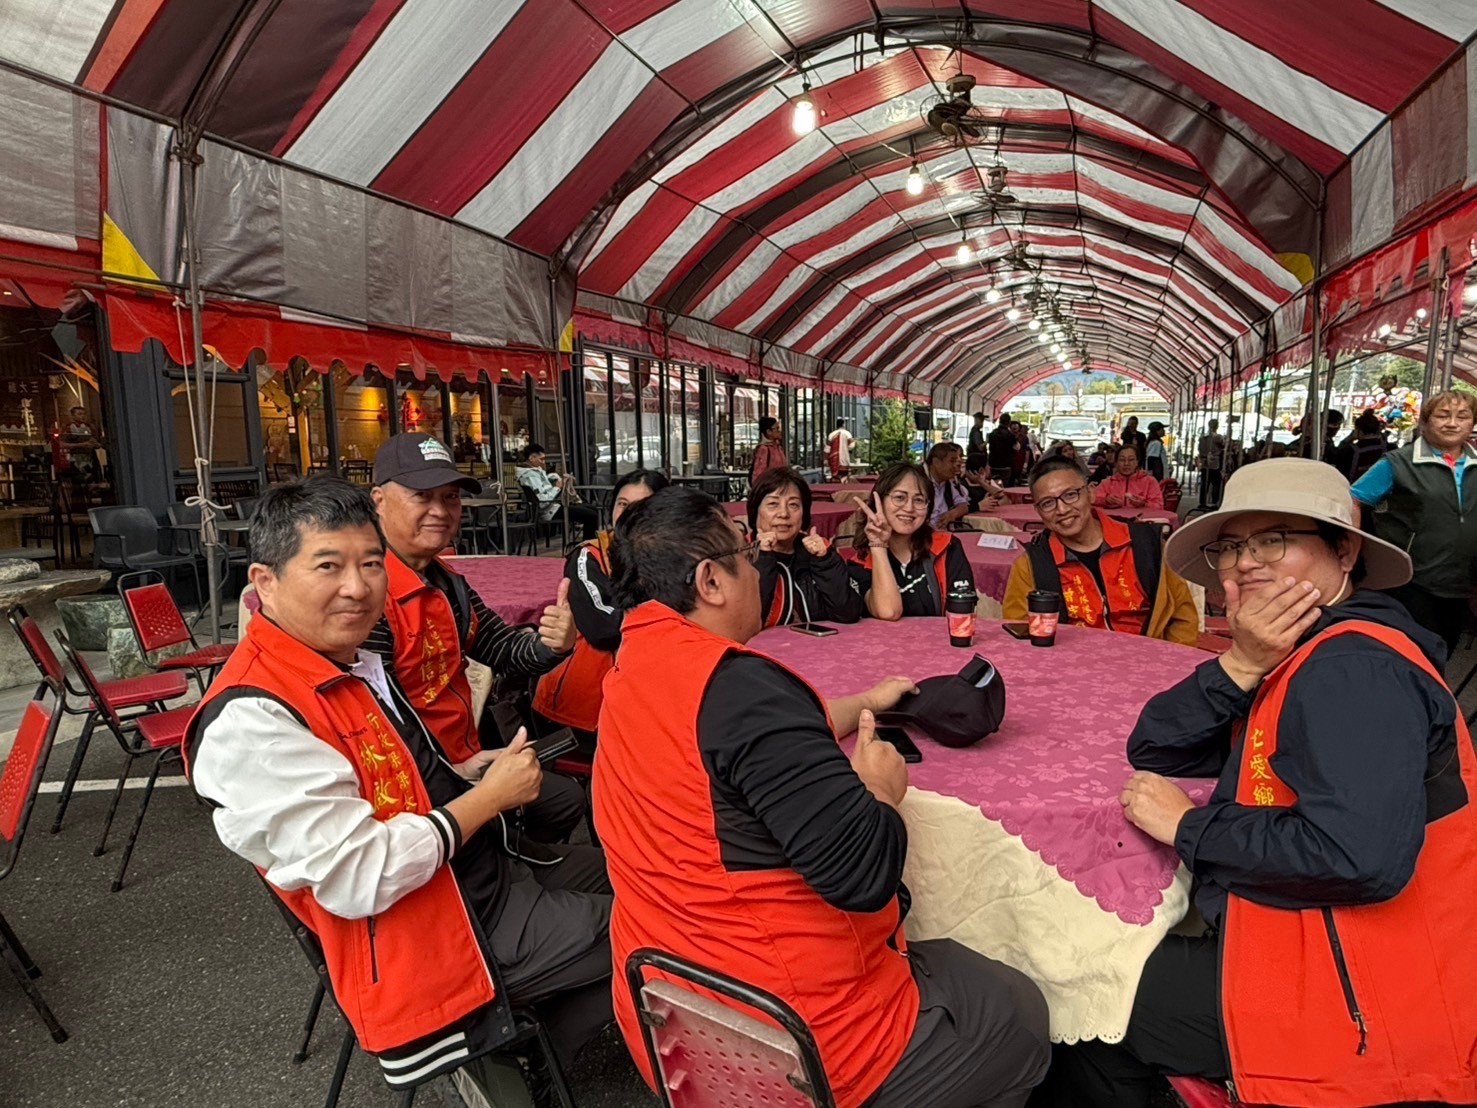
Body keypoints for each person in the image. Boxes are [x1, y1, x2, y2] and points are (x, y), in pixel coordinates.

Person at [1034, 457, 1477, 1107]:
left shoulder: (1352, 669)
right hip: (1312, 930)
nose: (1244, 563)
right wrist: (1241, 661)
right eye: (1232, 547)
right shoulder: (1298, 647)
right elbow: (1155, 746)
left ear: (1345, 551)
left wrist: (1189, 826)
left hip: (1362, 990)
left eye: (1273, 539)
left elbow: (1356, 858)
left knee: (1077, 990)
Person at [597, 487, 1051, 1108]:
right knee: (1020, 1008)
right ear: (710, 581)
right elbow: (863, 874)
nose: (756, 567)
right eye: (745, 554)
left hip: (673, 1023)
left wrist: (865, 701)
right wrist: (881, 790)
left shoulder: (638, 663)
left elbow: (736, 742)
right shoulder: (741, 689)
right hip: (794, 1043)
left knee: (952, 962)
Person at [185, 479, 615, 1106]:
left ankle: (534, 1039)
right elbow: (359, 873)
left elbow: (394, 772)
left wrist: (466, 772)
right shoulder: (252, 719)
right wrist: (487, 799)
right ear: (265, 582)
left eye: (369, 564)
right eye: (328, 566)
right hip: (431, 932)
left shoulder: (350, 657)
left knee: (632, 873)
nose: (358, 588)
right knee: (656, 926)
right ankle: (530, 1062)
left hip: (476, 873)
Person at [367, 432, 585, 844]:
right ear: (379, 500)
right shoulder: (366, 597)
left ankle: (512, 859)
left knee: (563, 799)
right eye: (421, 496)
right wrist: (456, 779)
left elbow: (502, 648)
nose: (440, 511)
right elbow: (379, 718)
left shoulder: (447, 582)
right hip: (414, 784)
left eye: (450, 497)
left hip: (469, 757)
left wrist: (552, 645)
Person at [1002, 456, 1197, 645]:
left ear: (1091, 493)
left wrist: (1169, 661)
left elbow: (1183, 618)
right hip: (1071, 663)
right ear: (1038, 511)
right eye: (1048, 503)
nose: (1062, 510)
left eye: (1070, 495)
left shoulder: (1146, 545)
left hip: (1149, 658)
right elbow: (1021, 633)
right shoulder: (1032, 565)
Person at [532, 469, 669, 735]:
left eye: (642, 506)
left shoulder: (671, 560)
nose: (628, 514)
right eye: (623, 504)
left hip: (640, 706)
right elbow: (603, 627)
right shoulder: (589, 556)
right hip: (580, 711)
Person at [1352, 389, 1477, 653]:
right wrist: (1353, 548)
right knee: (1414, 650)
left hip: (1462, 582)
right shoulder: (1399, 463)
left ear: (1472, 423)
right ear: (1425, 421)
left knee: (1444, 649)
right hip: (1411, 581)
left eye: (1462, 416)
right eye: (1442, 415)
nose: (1452, 423)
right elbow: (1354, 499)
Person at [843, 462, 975, 620]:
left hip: (940, 636)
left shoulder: (947, 547)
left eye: (919, 500)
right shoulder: (860, 562)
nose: (909, 508)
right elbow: (889, 612)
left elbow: (964, 611)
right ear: (879, 502)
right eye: (900, 498)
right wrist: (878, 545)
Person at [746, 466, 862, 627]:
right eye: (773, 504)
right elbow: (748, 622)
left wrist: (824, 561)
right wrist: (764, 557)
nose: (784, 514)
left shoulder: (818, 554)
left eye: (793, 505)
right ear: (755, 511)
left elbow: (848, 613)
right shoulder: (739, 557)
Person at [516, 443, 599, 542]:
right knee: (591, 515)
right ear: (532, 458)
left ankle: (589, 542)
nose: (543, 462)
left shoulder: (535, 471)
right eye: (541, 459)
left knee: (592, 509)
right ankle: (587, 544)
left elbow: (543, 485)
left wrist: (552, 478)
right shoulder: (530, 476)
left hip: (554, 506)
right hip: (549, 510)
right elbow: (542, 501)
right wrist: (557, 488)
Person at [926, 442, 997, 529]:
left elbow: (963, 505)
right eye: (952, 461)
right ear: (936, 462)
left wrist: (953, 513)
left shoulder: (947, 483)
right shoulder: (919, 481)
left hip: (944, 532)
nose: (956, 465)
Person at [1092, 444, 1164, 509]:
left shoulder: (1150, 482)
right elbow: (1092, 500)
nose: (1126, 463)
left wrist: (1144, 504)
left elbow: (1159, 505)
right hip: (1112, 519)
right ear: (1116, 463)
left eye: (1131, 459)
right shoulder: (1107, 483)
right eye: (1122, 460)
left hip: (1142, 519)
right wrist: (1105, 500)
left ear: (1137, 462)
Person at [1330, 408, 1391, 481]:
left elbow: (1335, 460)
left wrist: (1349, 439)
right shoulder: (1389, 447)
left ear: (1358, 430)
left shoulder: (1350, 450)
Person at [1195, 419, 1225, 508]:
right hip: (1214, 462)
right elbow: (1224, 446)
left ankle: (1202, 502)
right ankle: (1214, 502)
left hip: (1204, 462)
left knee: (1204, 483)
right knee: (1216, 483)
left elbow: (1199, 449)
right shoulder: (1218, 438)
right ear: (1217, 426)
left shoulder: (1202, 438)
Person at [751, 416, 789, 482]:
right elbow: (758, 474)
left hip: (780, 485)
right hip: (771, 485)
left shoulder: (778, 447)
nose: (779, 431)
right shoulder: (764, 449)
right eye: (777, 428)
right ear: (768, 431)